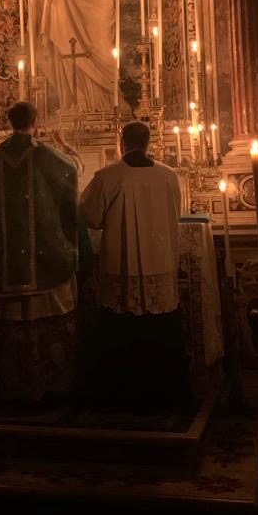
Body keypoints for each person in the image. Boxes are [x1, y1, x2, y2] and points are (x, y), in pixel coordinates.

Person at [0, 100, 79, 409]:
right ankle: (52, 387)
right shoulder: (49, 159)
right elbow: (71, 174)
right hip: (46, 257)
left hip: (6, 262)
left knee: (11, 320)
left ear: (8, 122)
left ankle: (12, 386)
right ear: (36, 123)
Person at [79, 120, 189, 415]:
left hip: (122, 268)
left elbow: (90, 216)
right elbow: (176, 212)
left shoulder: (108, 176)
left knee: (121, 329)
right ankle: (165, 396)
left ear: (122, 142)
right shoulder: (168, 175)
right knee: (159, 331)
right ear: (148, 142)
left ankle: (121, 399)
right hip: (160, 263)